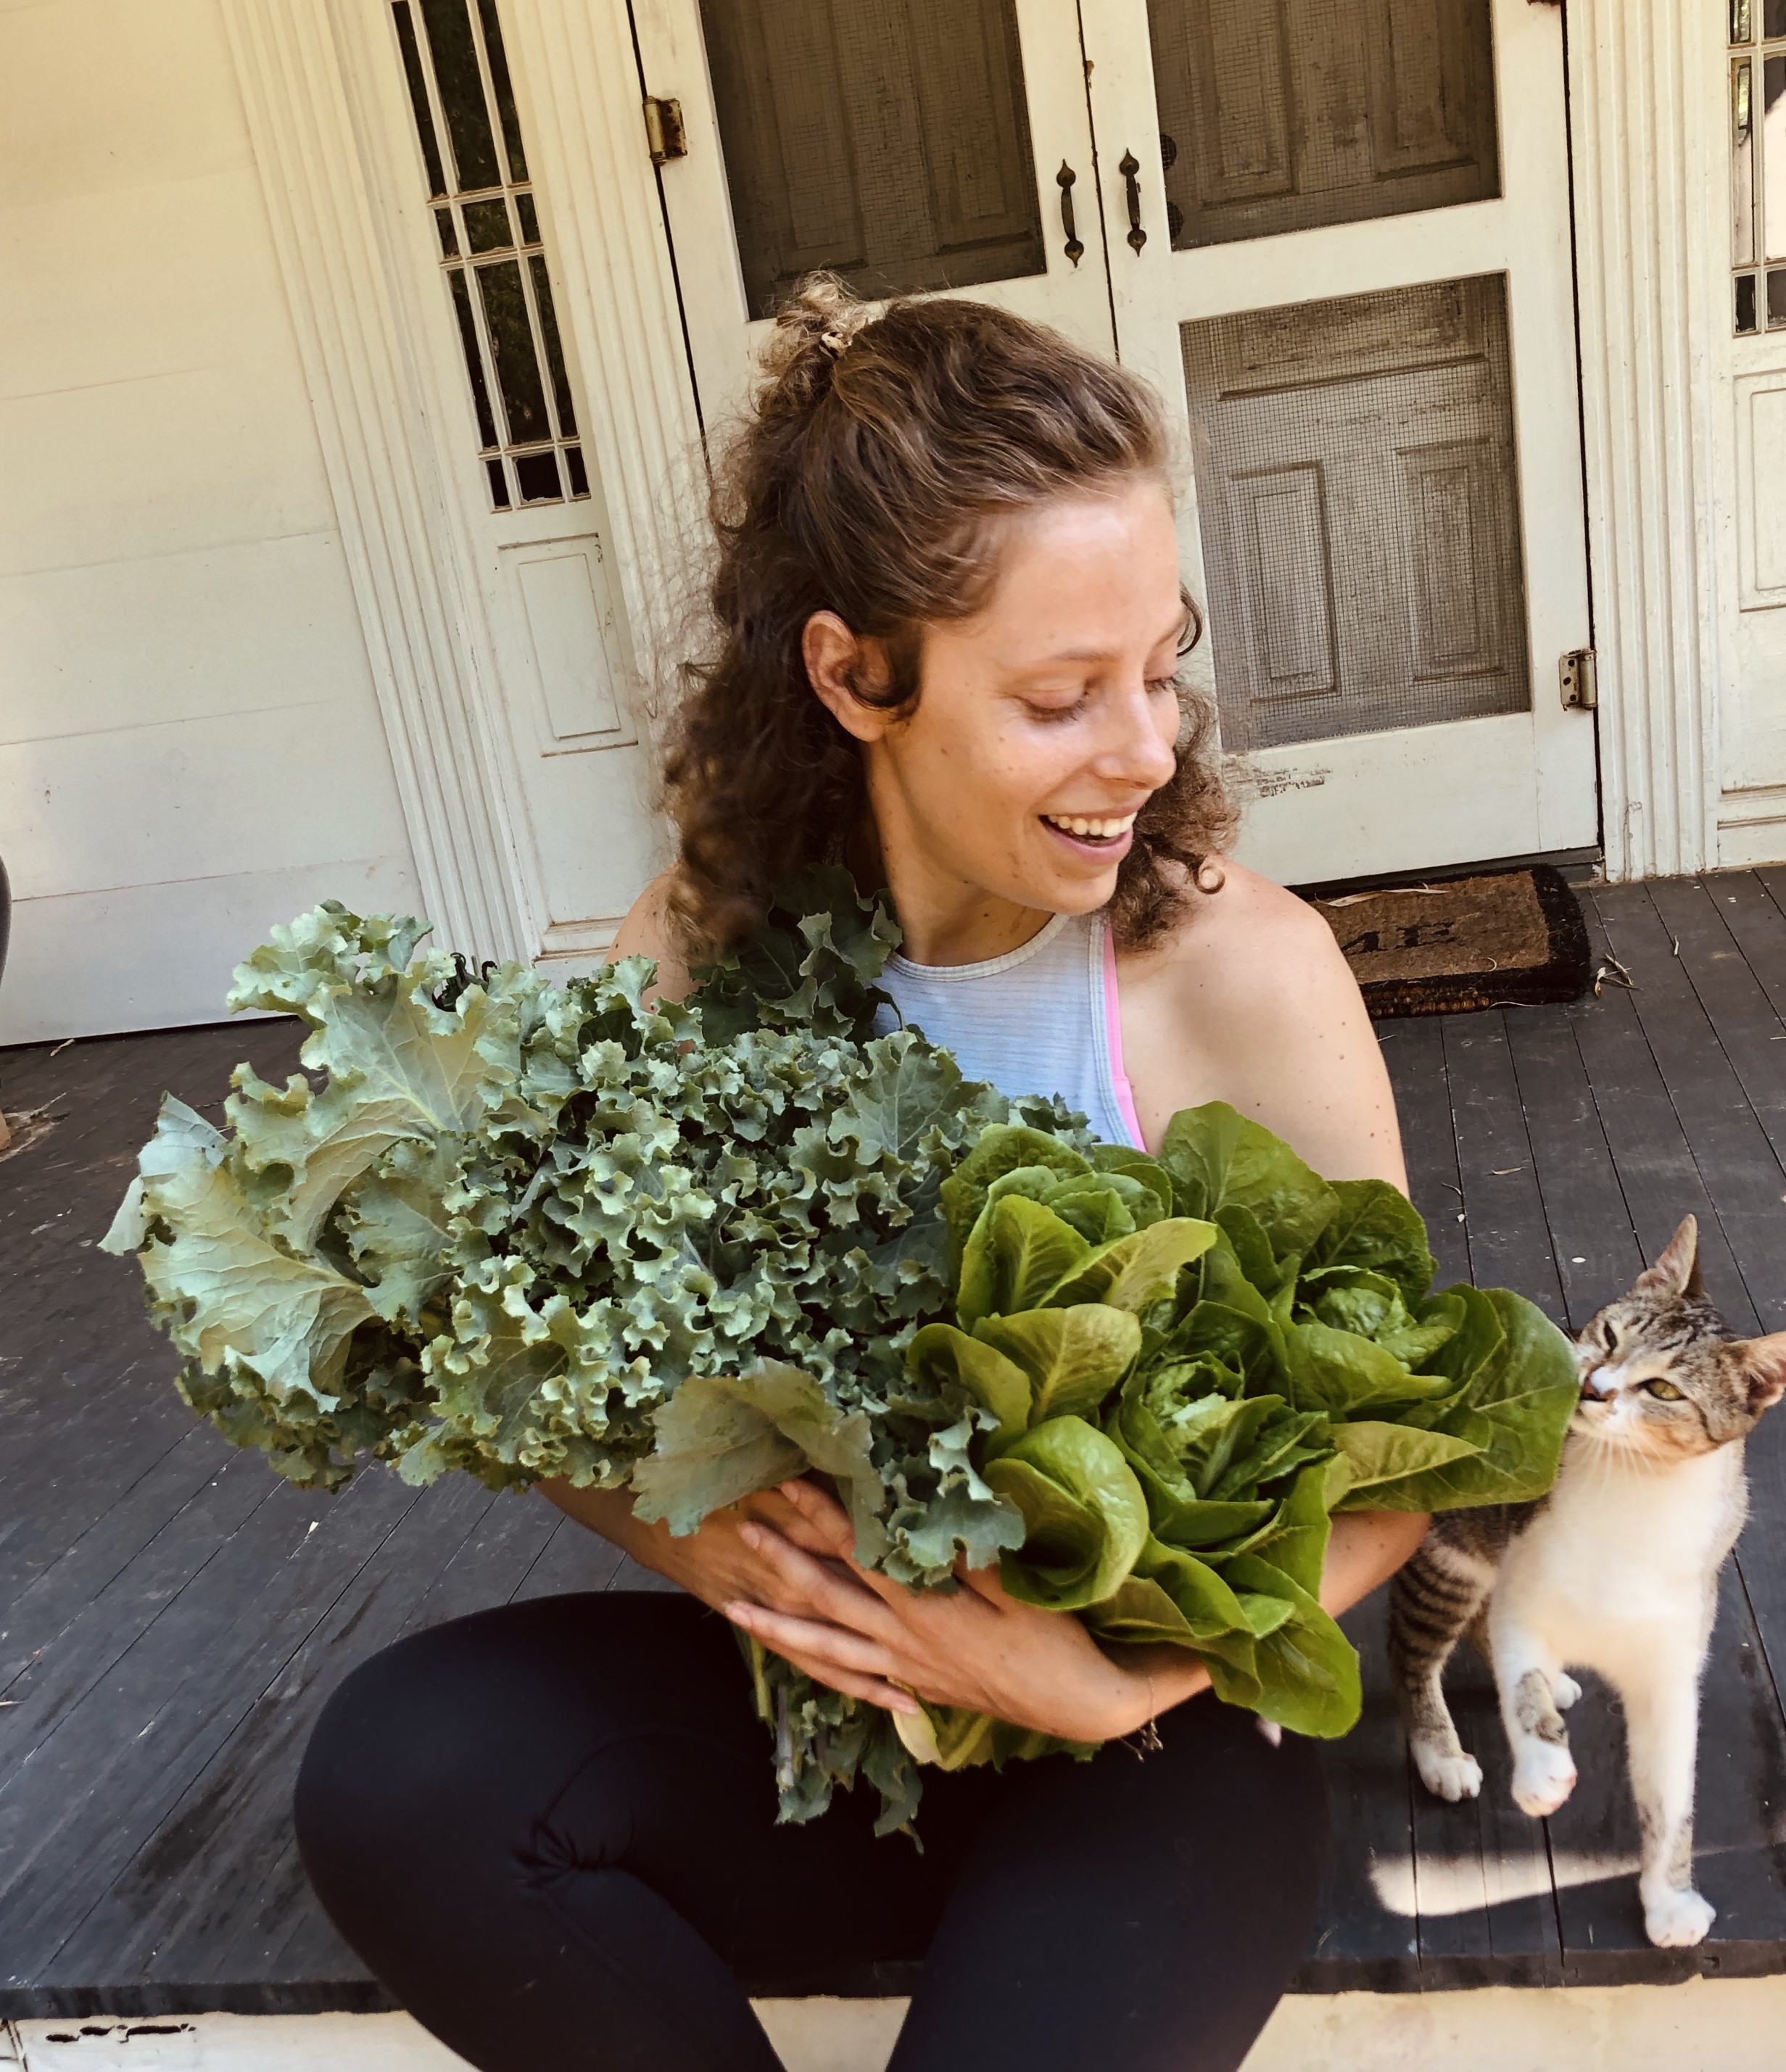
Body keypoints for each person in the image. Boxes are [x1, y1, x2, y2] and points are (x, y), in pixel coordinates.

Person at [294, 278, 1426, 2072]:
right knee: (399, 1770)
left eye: (1157, 664)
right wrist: (741, 1548)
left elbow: (1411, 1464)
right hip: (826, 1714)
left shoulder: (1236, 971)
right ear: (850, 674)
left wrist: (1112, 1675)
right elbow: (542, 1389)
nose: (1143, 745)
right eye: (1061, 695)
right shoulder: (694, 952)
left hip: (1147, 1750)